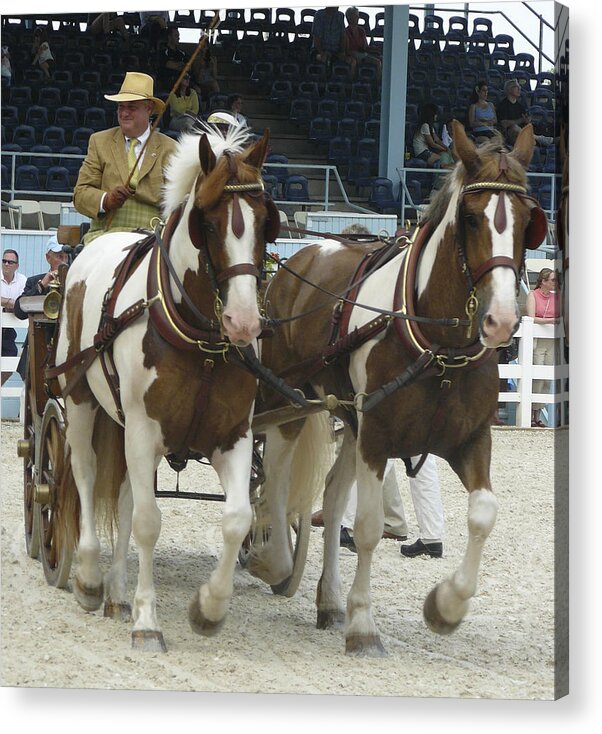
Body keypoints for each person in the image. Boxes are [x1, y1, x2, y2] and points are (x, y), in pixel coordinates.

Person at [73, 71, 177, 245]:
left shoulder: (171, 148)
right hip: (105, 236)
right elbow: (80, 194)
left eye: (132, 107)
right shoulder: (99, 142)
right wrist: (106, 199)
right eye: (121, 107)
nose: (124, 113)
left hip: (154, 238)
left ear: (149, 108)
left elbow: (178, 202)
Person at [13, 235, 69, 380]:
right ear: (48, 258)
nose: (63, 261)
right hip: (38, 348)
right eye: (58, 256)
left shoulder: (74, 283)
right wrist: (43, 284)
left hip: (65, 349)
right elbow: (19, 311)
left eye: (65, 256)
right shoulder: (34, 281)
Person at [525, 268, 561, 428]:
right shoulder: (533, 295)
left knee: (547, 378)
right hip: (538, 340)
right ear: (543, 281)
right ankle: (531, 414)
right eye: (552, 280)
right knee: (537, 377)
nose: (555, 283)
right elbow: (531, 318)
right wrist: (550, 321)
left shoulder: (556, 297)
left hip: (551, 341)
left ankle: (538, 416)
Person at [1, 249, 26, 385]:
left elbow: (24, 302)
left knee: (11, 362)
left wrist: (5, 302)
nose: (6, 264)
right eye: (4, 261)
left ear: (17, 265)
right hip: (5, 324)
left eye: (10, 262)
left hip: (8, 330)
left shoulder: (22, 280)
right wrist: (10, 302)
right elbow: (17, 303)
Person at [344, 6, 380, 79]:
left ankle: (377, 82)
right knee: (354, 62)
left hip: (363, 54)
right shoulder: (346, 32)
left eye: (357, 16)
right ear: (349, 18)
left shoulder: (361, 31)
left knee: (378, 62)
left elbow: (366, 46)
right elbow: (346, 50)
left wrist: (374, 48)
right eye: (355, 16)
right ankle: (352, 81)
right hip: (352, 54)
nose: (357, 18)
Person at [412, 103, 453, 168]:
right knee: (443, 161)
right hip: (421, 152)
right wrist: (445, 150)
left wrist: (446, 148)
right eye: (435, 114)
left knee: (446, 157)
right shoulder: (425, 126)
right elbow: (432, 143)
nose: (436, 116)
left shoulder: (430, 126)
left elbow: (437, 140)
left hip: (427, 150)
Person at [496, 78, 530, 145]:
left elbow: (525, 121)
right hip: (508, 134)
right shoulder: (503, 105)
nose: (519, 89)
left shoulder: (520, 106)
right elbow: (504, 123)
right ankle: (537, 138)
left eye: (519, 87)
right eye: (516, 87)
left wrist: (527, 120)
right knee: (514, 127)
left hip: (521, 133)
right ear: (509, 89)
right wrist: (521, 120)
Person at [191, 41, 220, 112]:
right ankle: (200, 110)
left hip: (209, 81)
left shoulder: (213, 58)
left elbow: (215, 76)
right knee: (198, 90)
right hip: (199, 82)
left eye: (204, 46)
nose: (203, 48)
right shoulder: (196, 58)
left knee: (215, 84)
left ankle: (213, 107)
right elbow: (196, 76)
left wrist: (213, 66)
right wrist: (201, 66)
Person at [158, 25, 188, 92]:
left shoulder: (182, 53)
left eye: (178, 36)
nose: (178, 38)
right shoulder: (163, 52)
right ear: (169, 37)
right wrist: (181, 65)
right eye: (176, 36)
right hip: (168, 84)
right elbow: (168, 64)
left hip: (183, 83)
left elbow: (189, 67)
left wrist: (178, 65)